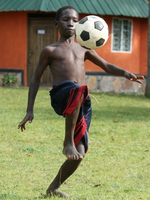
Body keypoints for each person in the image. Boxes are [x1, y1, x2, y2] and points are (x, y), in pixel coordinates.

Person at [18, 6, 144, 198]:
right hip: (62, 96)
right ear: (56, 24)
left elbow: (106, 65)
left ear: (79, 24)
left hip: (81, 102)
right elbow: (35, 78)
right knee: (78, 88)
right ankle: (67, 141)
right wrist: (29, 110)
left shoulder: (84, 48)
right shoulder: (50, 50)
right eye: (65, 20)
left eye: (75, 20)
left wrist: (126, 73)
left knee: (80, 152)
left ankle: (53, 188)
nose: (70, 23)